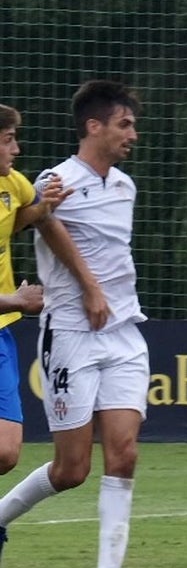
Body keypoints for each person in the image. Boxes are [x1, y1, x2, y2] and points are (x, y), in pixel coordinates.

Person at [0, 80, 147, 568]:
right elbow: (44, 226)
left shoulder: (125, 186)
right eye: (124, 124)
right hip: (70, 333)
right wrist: (89, 288)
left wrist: (108, 295)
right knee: (72, 469)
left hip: (124, 333)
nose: (132, 133)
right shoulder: (54, 180)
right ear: (94, 126)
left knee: (124, 453)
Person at [0, 104, 75, 478]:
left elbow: (23, 216)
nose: (16, 149)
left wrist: (46, 204)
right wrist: (15, 300)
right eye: (8, 140)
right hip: (6, 308)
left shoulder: (13, 183)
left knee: (6, 452)